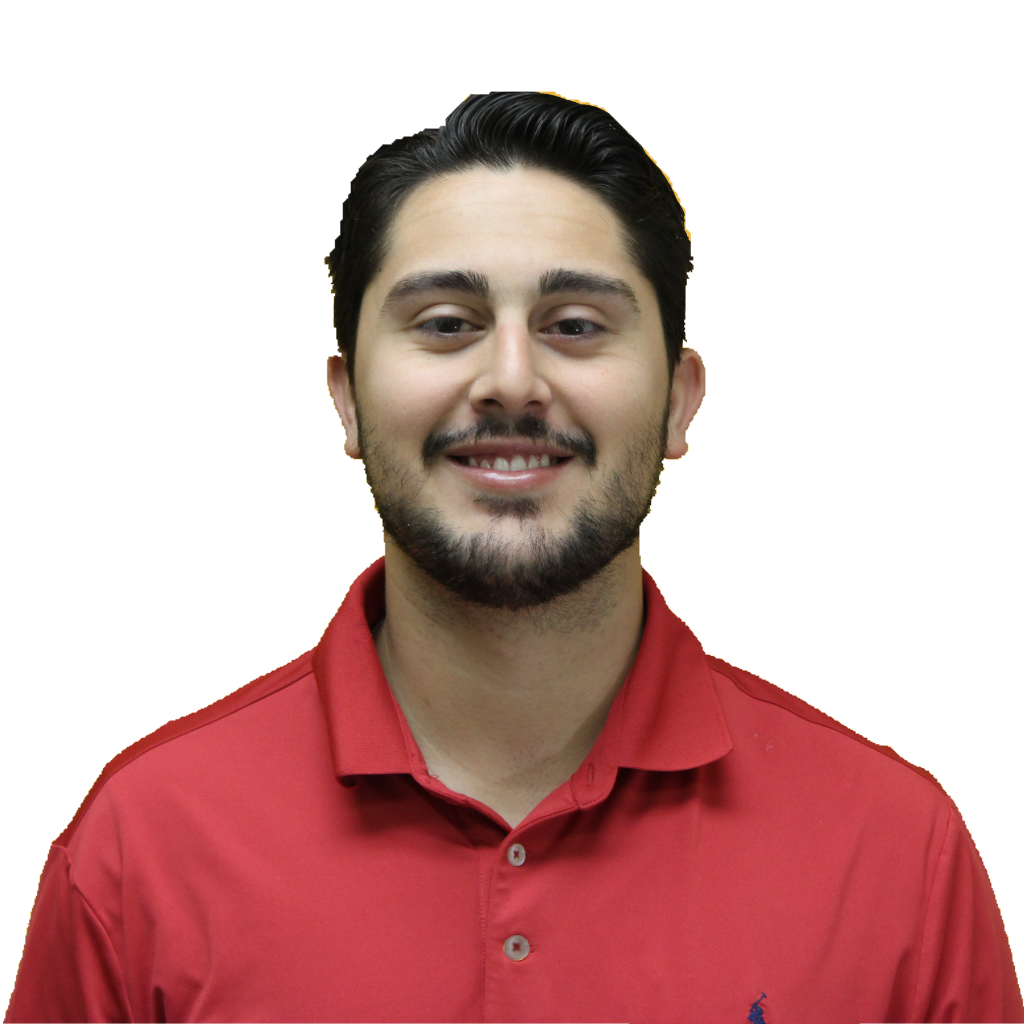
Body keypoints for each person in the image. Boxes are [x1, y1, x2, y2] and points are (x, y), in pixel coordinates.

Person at [5, 91, 1021, 1024]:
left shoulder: (896, 855)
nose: (510, 379)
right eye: (446, 324)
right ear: (348, 401)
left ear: (678, 401)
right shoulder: (143, 849)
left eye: (574, 325)